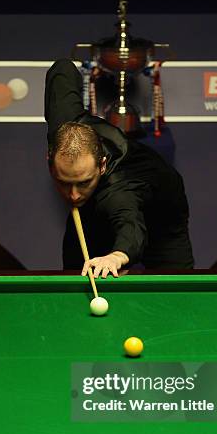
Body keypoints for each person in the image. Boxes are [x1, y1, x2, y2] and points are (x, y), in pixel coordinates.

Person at [45, 58, 194, 278]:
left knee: (174, 291)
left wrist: (117, 255)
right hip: (96, 208)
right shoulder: (63, 124)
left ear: (102, 165)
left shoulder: (118, 191)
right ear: (49, 158)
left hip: (162, 216)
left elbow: (130, 226)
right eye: (64, 182)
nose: (74, 195)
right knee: (77, 276)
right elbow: (62, 69)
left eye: (83, 183)